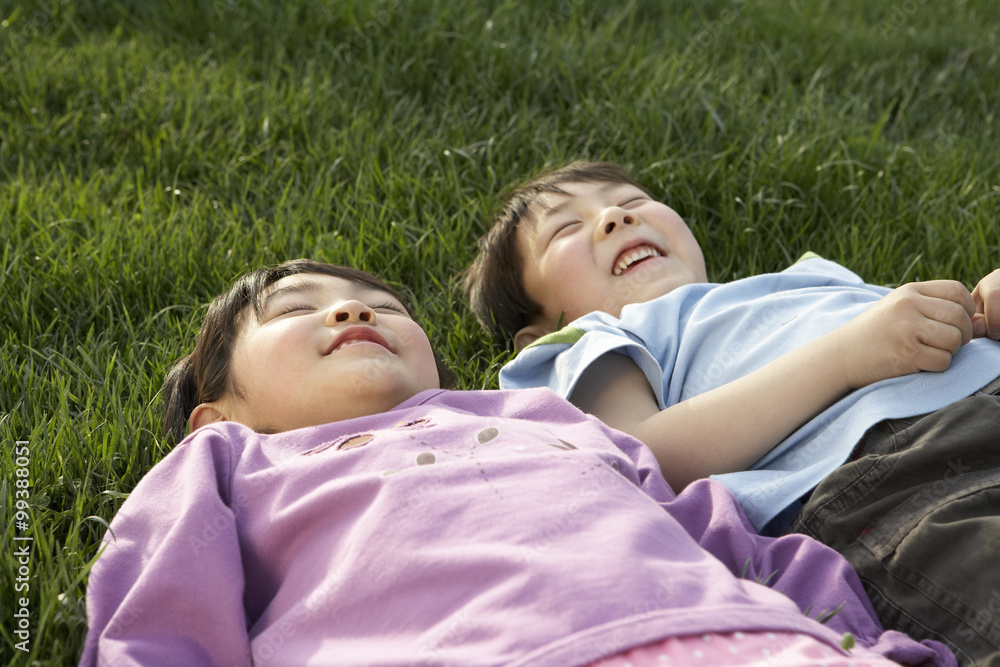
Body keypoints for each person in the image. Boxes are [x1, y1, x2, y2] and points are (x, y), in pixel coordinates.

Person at [80, 259, 952, 666]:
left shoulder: (537, 418)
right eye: (297, 308)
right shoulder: (228, 463)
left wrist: (855, 637)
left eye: (380, 304)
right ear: (215, 412)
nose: (351, 310)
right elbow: (159, 618)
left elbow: (722, 535)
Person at [464, 161, 1000, 665]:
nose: (616, 217)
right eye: (565, 229)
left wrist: (980, 309)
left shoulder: (803, 278)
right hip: (896, 471)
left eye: (632, 200)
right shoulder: (591, 338)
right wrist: (845, 356)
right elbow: (644, 458)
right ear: (535, 332)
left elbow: (923, 329)